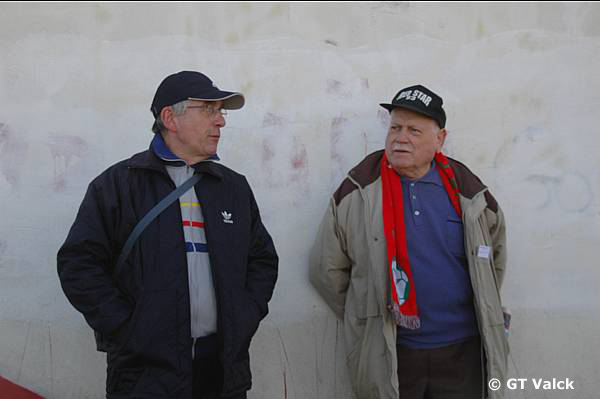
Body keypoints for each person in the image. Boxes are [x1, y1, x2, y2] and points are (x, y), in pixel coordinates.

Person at [57, 71, 278, 399]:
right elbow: (78, 265)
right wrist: (129, 328)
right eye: (208, 109)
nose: (220, 122)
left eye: (221, 111)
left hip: (222, 372)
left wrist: (244, 315)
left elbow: (262, 259)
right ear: (169, 118)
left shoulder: (234, 187)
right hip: (144, 375)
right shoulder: (117, 185)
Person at [309, 85, 509, 399]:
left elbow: (492, 257)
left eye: (414, 130)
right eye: (395, 127)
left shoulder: (468, 191)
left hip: (462, 351)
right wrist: (367, 316)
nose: (401, 137)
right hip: (390, 353)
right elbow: (327, 267)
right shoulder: (357, 190)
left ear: (439, 139)